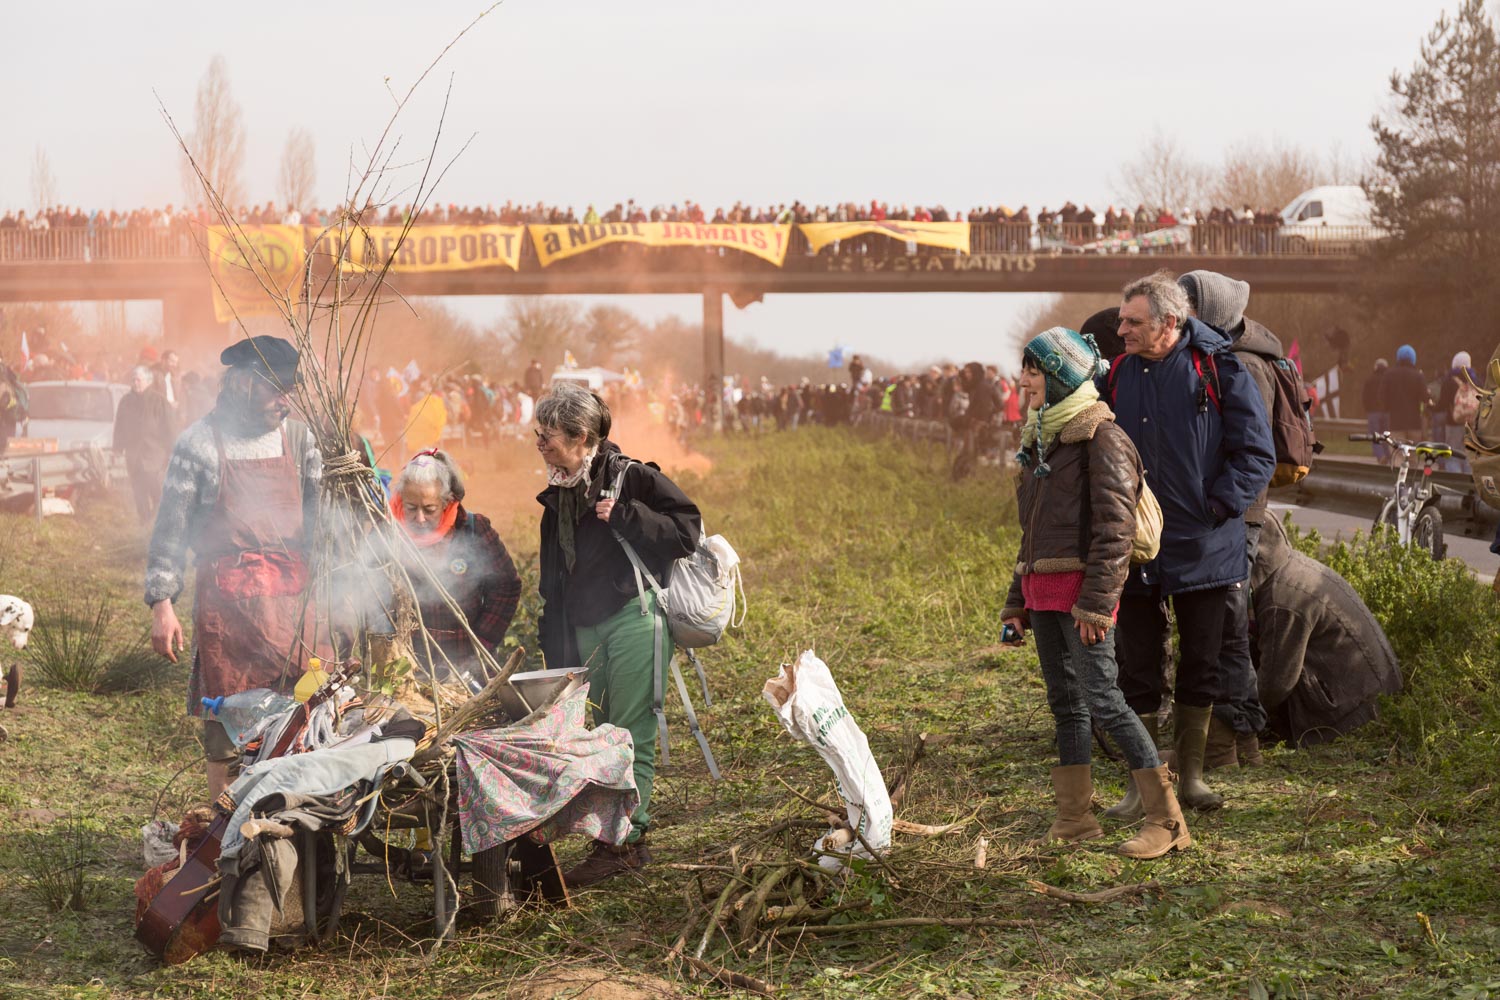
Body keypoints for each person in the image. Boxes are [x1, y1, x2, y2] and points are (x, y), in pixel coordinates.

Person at [1001, 328, 1190, 859]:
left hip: (1082, 598)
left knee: (1105, 701)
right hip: (1044, 594)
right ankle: (1075, 818)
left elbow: (1115, 529)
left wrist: (1098, 603)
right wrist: (1016, 602)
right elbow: (1032, 534)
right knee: (1067, 705)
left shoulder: (1101, 437)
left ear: (1060, 375)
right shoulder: (1042, 439)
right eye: (1026, 370)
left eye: (1034, 371)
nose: (1024, 381)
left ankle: (1168, 823)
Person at [1101, 271, 1274, 814]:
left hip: (1205, 547)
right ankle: (1143, 787)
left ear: (1169, 323)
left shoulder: (1219, 368)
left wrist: (1216, 507)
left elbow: (1256, 454)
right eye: (1121, 320)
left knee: (1202, 665)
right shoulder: (1121, 373)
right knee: (1136, 668)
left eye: (1133, 321)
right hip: (1137, 549)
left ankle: (1194, 779)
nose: (1121, 330)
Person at [534, 383, 701, 887]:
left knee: (630, 733)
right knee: (593, 733)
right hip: (584, 628)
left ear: (582, 436)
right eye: (537, 435)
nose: (540, 444)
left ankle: (625, 843)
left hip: (633, 619)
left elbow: (687, 529)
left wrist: (627, 515)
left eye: (549, 436)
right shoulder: (559, 491)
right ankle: (606, 834)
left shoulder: (632, 478)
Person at [145, 336, 322, 800]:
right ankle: (228, 841)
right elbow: (170, 531)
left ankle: (292, 837)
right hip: (228, 614)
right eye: (275, 390)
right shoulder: (199, 444)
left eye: (290, 390)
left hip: (294, 615)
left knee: (299, 730)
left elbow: (323, 528)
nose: (285, 401)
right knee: (228, 739)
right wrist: (162, 604)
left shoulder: (301, 440)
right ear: (243, 385)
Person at [1178, 270, 1279, 768]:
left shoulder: (1241, 365)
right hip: (1229, 511)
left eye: (1188, 305)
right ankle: (1234, 744)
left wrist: (1219, 503)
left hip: (1237, 513)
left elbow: (1255, 453)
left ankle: (1233, 741)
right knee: (1225, 627)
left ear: (1212, 309)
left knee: (1228, 627)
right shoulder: (1224, 355)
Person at [1250, 517, 1402, 745]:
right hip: (1376, 701)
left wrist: (1233, 722)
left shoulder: (1280, 600)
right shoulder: (1293, 569)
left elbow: (1275, 684)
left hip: (1357, 717)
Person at [388, 450, 522, 689]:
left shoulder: (473, 529)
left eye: (429, 509)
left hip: (469, 666)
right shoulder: (387, 535)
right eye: (411, 508)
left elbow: (506, 586)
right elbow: (370, 594)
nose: (419, 518)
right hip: (411, 670)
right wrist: (392, 648)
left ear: (446, 502)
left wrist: (481, 643)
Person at [112, 365, 177, 522]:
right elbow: (119, 426)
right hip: (133, 455)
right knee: (138, 491)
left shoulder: (159, 401)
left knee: (155, 488)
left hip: (154, 455)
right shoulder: (126, 402)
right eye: (133, 380)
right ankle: (144, 521)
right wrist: (117, 448)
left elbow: (170, 429)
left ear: (148, 381)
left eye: (138, 380)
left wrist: (172, 451)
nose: (135, 383)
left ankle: (159, 517)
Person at [1384, 345, 1431, 441]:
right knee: (1413, 454)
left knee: (1397, 453)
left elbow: (1382, 397)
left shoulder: (1389, 375)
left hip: (1395, 422)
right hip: (1414, 423)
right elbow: (1425, 398)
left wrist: (1388, 408)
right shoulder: (1418, 376)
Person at [403, 377, 448, 455]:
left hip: (426, 423)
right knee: (427, 442)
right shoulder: (424, 396)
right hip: (427, 423)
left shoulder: (429, 397)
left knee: (425, 443)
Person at [1362, 359, 1391, 462]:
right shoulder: (1388, 380)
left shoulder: (1370, 379)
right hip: (1386, 412)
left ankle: (1380, 455)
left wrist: (1367, 409)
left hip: (1373, 412)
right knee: (1386, 435)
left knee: (1375, 435)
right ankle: (1388, 455)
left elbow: (1365, 396)